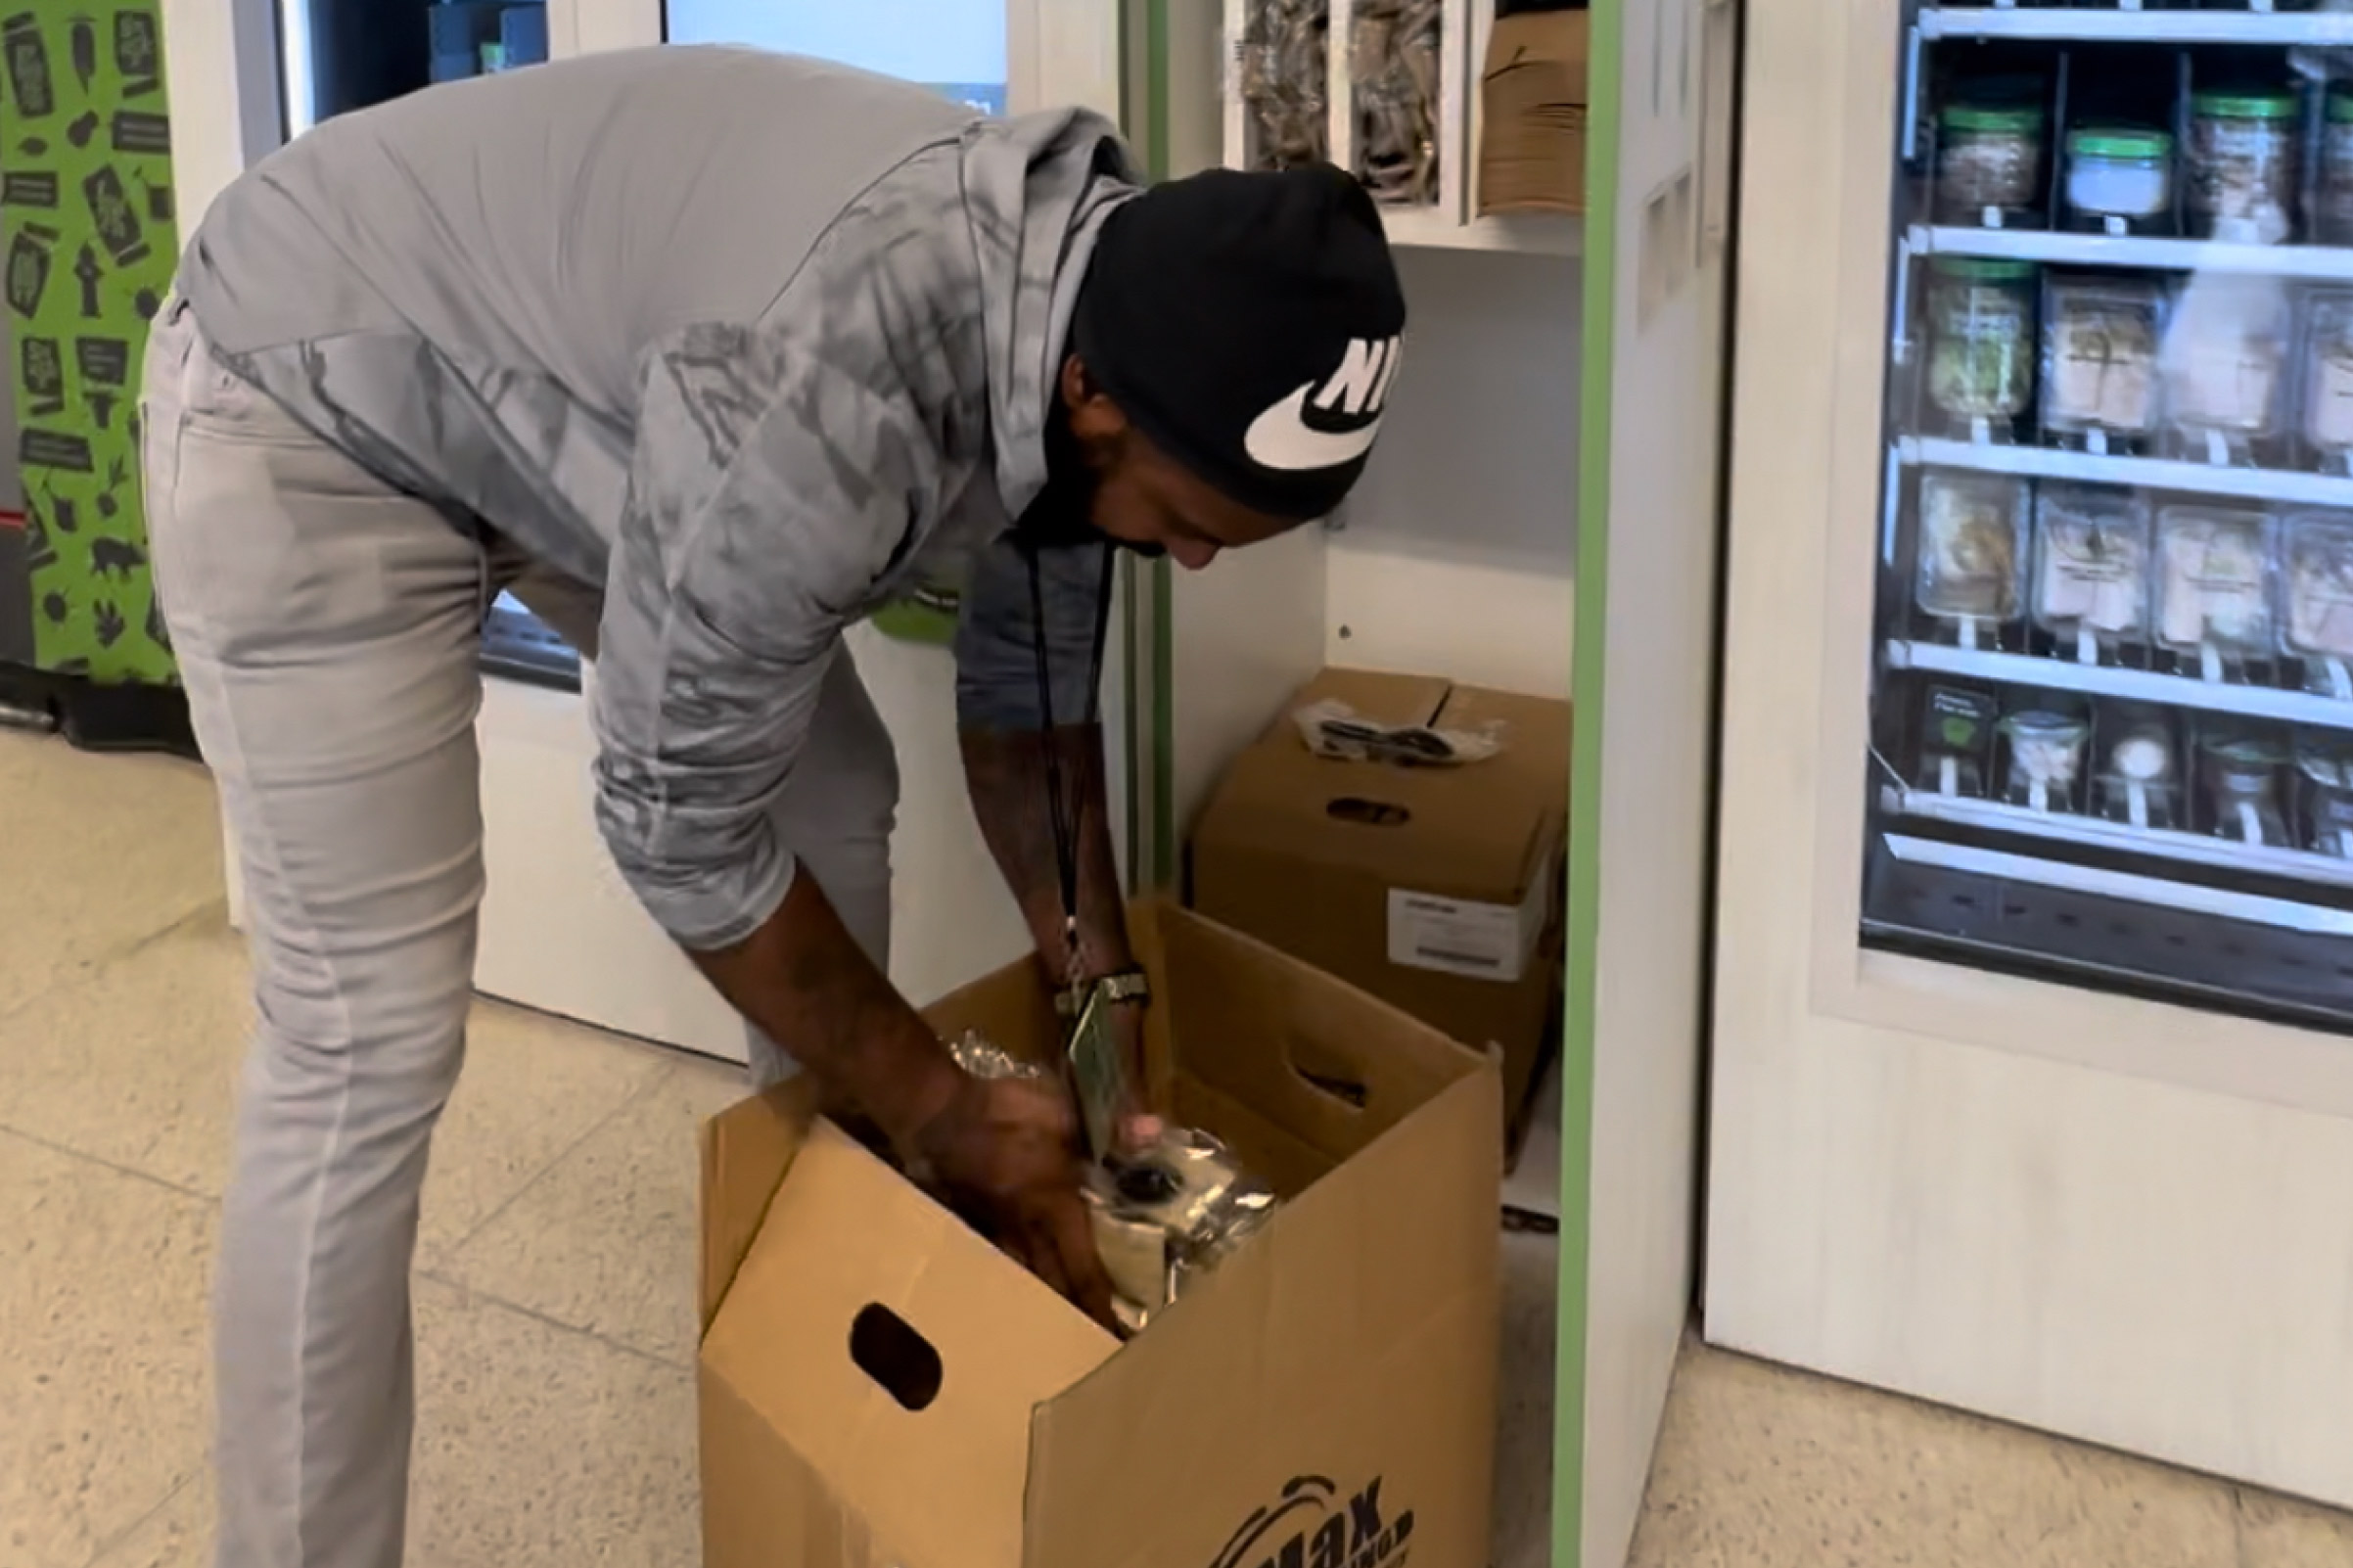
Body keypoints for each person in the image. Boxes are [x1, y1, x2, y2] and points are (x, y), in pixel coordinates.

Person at [140, 43, 1406, 1568]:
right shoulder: (837, 382)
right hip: (311, 386)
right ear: (1091, 405)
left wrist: (1096, 986)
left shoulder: (1110, 299)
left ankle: (842, 1285)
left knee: (833, 778)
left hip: (570, 407)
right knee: (365, 1035)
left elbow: (1031, 714)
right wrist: (938, 1102)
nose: (1194, 564)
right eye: (1192, 527)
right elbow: (675, 821)